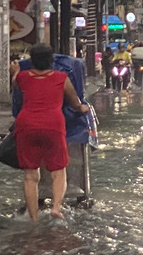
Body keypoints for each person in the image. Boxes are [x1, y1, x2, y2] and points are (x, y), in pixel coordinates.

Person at [14, 43, 91, 222]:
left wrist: (16, 70)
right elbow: (75, 102)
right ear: (51, 61)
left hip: (26, 125)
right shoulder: (61, 77)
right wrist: (82, 108)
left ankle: (33, 218)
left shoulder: (23, 77)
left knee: (30, 175)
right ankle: (56, 208)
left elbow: (15, 88)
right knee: (58, 171)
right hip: (52, 125)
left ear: (32, 61)